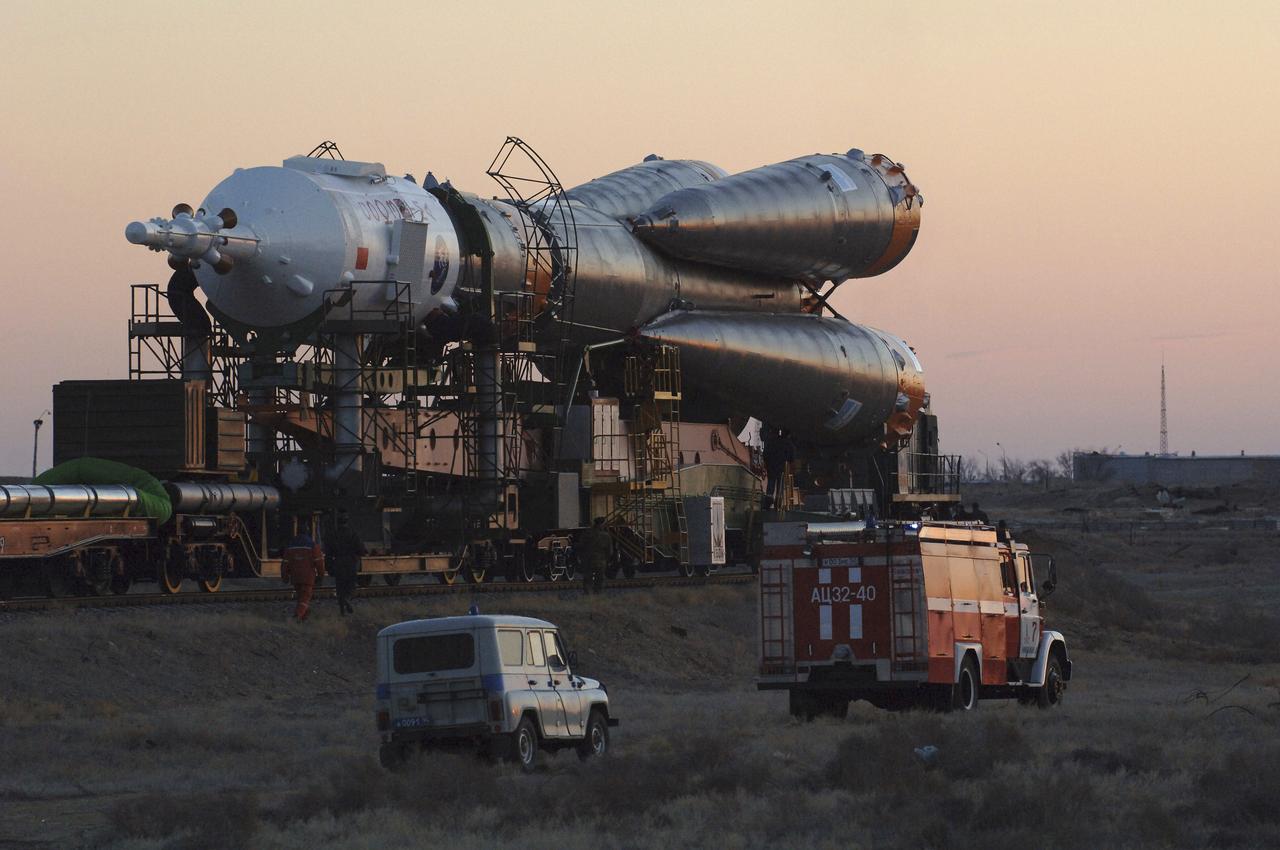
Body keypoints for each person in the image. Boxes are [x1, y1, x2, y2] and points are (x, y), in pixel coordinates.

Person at [326, 510, 365, 616]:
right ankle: (347, 599)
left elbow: (328, 552)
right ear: (347, 521)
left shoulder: (333, 535)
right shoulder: (353, 534)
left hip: (338, 562)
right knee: (350, 586)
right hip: (350, 563)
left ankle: (342, 611)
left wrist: (329, 567)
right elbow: (361, 550)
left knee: (340, 588)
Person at [282, 526, 325, 621]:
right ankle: (297, 617)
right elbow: (319, 562)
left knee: (300, 598)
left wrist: (284, 576)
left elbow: (285, 562)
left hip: (295, 577)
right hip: (308, 577)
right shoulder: (312, 545)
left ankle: (303, 619)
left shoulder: (290, 545)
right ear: (307, 532)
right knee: (305, 599)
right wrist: (321, 576)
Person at [578, 517, 612, 594]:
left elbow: (581, 546)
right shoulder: (606, 536)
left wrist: (582, 558)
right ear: (601, 524)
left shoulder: (586, 534)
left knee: (587, 578)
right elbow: (609, 551)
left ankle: (587, 593)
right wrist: (607, 560)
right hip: (600, 561)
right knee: (599, 578)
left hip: (588, 559)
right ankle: (597, 593)